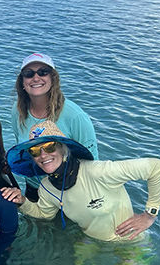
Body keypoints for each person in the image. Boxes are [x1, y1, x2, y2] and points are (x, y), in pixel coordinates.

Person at [6, 120, 160, 242]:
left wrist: (149, 215)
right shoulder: (46, 187)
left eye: (49, 147)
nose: (42, 155)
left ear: (62, 148)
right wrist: (22, 202)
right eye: (34, 151)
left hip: (130, 242)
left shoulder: (97, 171)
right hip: (90, 243)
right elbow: (44, 214)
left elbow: (156, 167)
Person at [11, 52, 98, 201]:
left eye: (43, 72)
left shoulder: (75, 115)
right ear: (22, 82)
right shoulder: (18, 110)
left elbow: (92, 162)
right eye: (29, 74)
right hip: (35, 187)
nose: (36, 78)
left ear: (53, 78)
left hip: (70, 190)